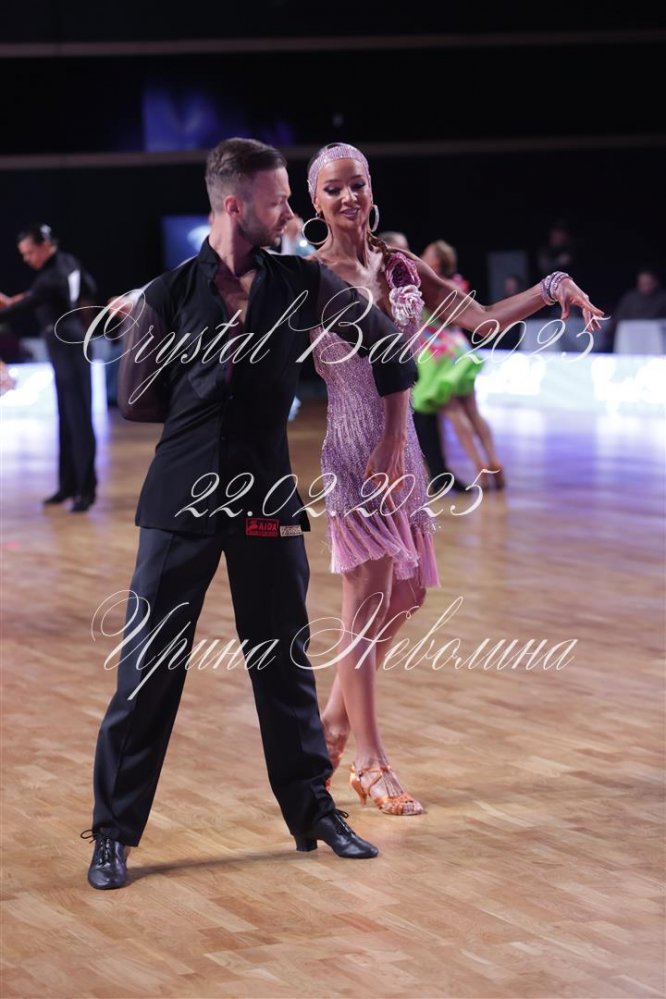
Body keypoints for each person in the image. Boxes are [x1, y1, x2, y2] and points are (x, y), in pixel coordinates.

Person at [80, 137, 419, 889]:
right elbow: (136, 401)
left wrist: (392, 439)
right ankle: (112, 833)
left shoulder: (301, 282)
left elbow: (391, 348)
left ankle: (314, 811)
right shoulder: (167, 294)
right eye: (279, 202)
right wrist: (211, 397)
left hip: (265, 497)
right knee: (147, 671)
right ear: (235, 206)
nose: (292, 214)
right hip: (180, 500)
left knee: (283, 663)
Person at [305, 142, 604, 815]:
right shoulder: (310, 277)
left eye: (357, 184)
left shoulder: (402, 265)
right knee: (364, 605)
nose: (348, 197)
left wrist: (550, 287)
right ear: (315, 202)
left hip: (404, 448)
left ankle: (330, 723)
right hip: (354, 451)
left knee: (407, 594)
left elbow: (479, 320)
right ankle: (369, 761)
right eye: (334, 188)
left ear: (371, 188)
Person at [0, 224, 98, 511]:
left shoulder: (50, 276)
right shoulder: (68, 263)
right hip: (69, 345)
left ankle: (85, 491)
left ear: (45, 245)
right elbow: (86, 289)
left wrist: (7, 307)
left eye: (30, 252)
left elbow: (28, 304)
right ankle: (68, 485)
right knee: (67, 419)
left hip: (68, 349)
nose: (26, 258)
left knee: (79, 420)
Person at [416, 239, 504, 490]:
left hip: (439, 353)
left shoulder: (427, 286)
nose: (422, 256)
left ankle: (479, 466)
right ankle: (494, 460)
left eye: (426, 254)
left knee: (454, 412)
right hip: (460, 348)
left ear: (435, 262)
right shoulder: (457, 285)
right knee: (473, 412)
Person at [600, 267, 666, 352]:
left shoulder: (663, 298)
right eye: (642, 283)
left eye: (648, 283)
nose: (645, 286)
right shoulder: (630, 298)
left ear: (655, 282)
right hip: (629, 338)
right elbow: (618, 317)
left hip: (656, 341)